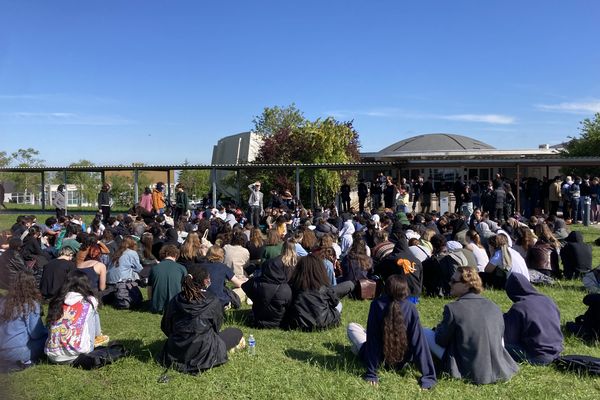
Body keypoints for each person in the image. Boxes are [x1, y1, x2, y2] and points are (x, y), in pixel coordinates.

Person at [424, 266, 518, 384]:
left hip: (469, 369)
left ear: (467, 285)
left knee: (423, 332)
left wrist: (439, 329)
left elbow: (440, 340)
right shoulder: (493, 306)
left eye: (454, 281)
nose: (449, 283)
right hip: (500, 368)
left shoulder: (453, 308)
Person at [347, 275, 436, 388]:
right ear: (405, 290)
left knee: (352, 327)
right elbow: (419, 343)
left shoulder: (376, 304)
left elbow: (373, 340)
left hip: (379, 359)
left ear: (386, 288)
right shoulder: (410, 307)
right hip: (403, 360)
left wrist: (371, 373)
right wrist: (428, 377)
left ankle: (358, 350)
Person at [158, 264, 244, 374]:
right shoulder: (212, 300)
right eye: (208, 278)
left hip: (175, 352)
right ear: (204, 281)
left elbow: (166, 327)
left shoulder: (175, 299)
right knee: (236, 332)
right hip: (204, 355)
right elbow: (216, 328)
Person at [45, 271, 109, 363]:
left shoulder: (56, 301)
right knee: (93, 313)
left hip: (52, 354)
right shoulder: (89, 301)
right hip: (77, 352)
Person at [503, 273, 563, 365]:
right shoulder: (548, 300)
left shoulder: (519, 307)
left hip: (536, 356)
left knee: (498, 345)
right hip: (557, 352)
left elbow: (510, 339)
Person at [0, 272, 48, 371]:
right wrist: (48, 330)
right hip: (18, 352)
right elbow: (36, 333)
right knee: (49, 338)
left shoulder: (3, 302)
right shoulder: (30, 305)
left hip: (2, 351)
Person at [287, 254, 341, 331]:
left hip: (298, 323)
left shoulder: (294, 287)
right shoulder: (324, 288)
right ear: (320, 269)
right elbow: (335, 302)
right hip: (323, 322)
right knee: (339, 305)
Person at [148, 245, 187, 314]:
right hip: (176, 307)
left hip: (156, 306)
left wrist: (151, 302)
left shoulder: (154, 268)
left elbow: (149, 289)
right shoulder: (181, 268)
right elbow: (186, 288)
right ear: (176, 254)